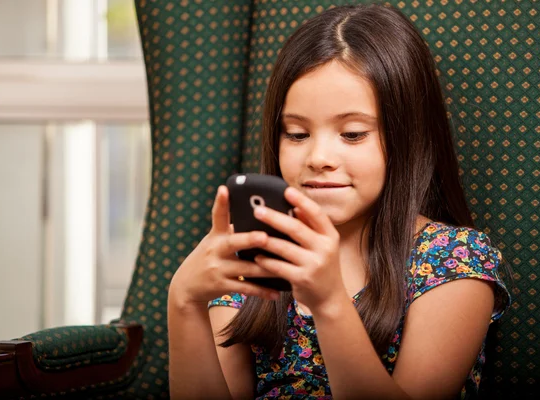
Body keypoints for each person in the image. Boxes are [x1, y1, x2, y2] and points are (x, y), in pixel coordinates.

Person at [167, 3, 511, 399]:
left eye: (351, 134)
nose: (317, 158)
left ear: (406, 137)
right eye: (296, 134)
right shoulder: (257, 257)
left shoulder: (453, 258)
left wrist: (329, 302)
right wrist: (184, 302)